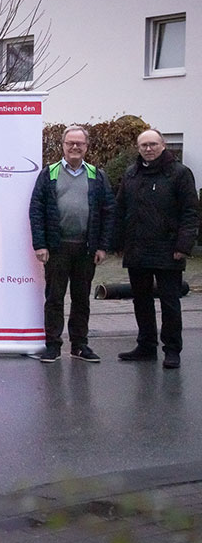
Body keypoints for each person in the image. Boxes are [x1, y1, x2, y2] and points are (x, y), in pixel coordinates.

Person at [28, 125, 115, 363]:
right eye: (70, 143)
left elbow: (108, 212)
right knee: (54, 298)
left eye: (80, 143)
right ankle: (53, 345)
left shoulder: (97, 175)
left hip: (86, 249)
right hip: (57, 248)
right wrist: (40, 244)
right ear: (63, 146)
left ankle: (79, 345)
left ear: (87, 147)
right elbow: (36, 211)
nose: (75, 147)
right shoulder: (49, 173)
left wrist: (102, 246)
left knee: (81, 299)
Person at [114, 129, 199, 369]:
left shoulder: (180, 174)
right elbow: (121, 209)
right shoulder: (131, 173)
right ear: (138, 148)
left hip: (169, 249)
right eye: (143, 145)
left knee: (170, 302)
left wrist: (183, 245)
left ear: (163, 145)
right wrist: (118, 243)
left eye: (152, 144)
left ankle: (172, 350)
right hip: (137, 248)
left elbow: (190, 212)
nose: (148, 149)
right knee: (141, 300)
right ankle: (146, 346)